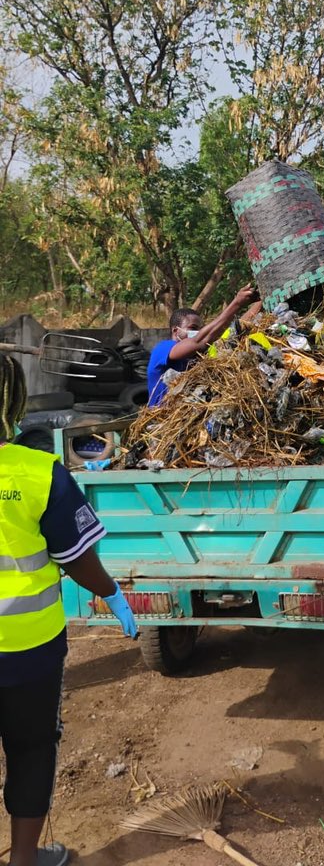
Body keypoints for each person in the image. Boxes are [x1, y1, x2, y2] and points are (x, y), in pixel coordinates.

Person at [0, 353, 138, 866]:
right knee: (32, 751)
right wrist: (112, 593)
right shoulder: (38, 473)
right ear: (11, 403)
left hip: (27, 652)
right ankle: (24, 861)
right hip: (27, 652)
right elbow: (78, 558)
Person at [147, 284, 256, 406]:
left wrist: (261, 301)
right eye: (193, 328)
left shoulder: (198, 355)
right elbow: (200, 340)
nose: (198, 332)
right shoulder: (163, 348)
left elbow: (237, 327)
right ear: (175, 330)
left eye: (201, 328)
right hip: (163, 419)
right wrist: (236, 303)